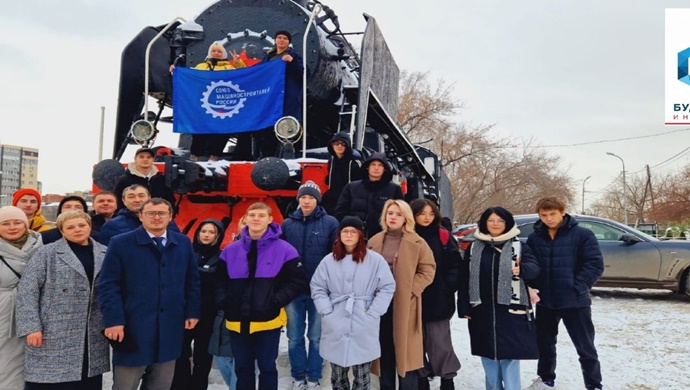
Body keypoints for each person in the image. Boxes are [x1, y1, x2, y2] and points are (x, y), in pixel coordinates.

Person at [99, 198, 201, 390]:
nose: (156, 217)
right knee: (125, 385)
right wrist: (113, 320)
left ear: (170, 217)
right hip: (133, 328)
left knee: (160, 385)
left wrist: (192, 311)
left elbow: (192, 281)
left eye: (162, 213)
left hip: (169, 328)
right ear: (140, 216)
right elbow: (108, 285)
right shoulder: (121, 243)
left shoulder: (183, 243)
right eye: (151, 213)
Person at [216, 202, 308, 390]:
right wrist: (226, 301)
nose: (256, 219)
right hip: (237, 321)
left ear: (270, 219)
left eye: (261, 215)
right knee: (243, 368)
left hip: (268, 321)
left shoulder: (285, 250)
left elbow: (298, 281)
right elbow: (219, 282)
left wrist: (276, 300)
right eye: (252, 215)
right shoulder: (230, 251)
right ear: (246, 219)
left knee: (267, 368)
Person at [16, 210, 110, 389]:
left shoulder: (104, 252)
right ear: (62, 231)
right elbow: (28, 290)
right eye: (70, 227)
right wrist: (31, 327)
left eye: (82, 225)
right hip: (52, 329)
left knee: (86, 379)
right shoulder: (47, 253)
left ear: (89, 226)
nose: (77, 230)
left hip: (91, 330)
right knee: (49, 379)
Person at [524, 197, 604, 390]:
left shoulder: (582, 235)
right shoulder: (535, 238)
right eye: (544, 215)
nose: (549, 219)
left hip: (575, 302)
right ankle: (546, 380)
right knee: (545, 345)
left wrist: (578, 287)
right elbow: (532, 266)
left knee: (585, 347)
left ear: (562, 212)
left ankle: (594, 384)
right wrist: (534, 287)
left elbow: (594, 265)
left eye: (552, 214)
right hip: (546, 302)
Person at [457, 207, 540, 390]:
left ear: (507, 223)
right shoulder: (474, 247)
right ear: (484, 223)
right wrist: (464, 307)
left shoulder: (519, 246)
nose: (495, 224)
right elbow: (464, 278)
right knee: (488, 356)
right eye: (491, 220)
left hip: (511, 310)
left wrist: (523, 269)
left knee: (510, 357)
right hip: (482, 310)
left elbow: (535, 269)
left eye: (500, 221)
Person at [310, 216, 396, 390]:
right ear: (339, 235)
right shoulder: (329, 260)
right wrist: (327, 310)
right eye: (344, 231)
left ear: (360, 235)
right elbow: (317, 287)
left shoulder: (375, 260)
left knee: (362, 373)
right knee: (338, 374)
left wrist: (374, 312)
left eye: (353, 231)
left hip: (363, 317)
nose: (348, 235)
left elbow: (387, 286)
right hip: (336, 318)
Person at [367, 199, 436, 390]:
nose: (393, 217)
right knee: (384, 352)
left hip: (406, 305)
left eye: (398, 214)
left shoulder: (417, 242)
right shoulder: (374, 241)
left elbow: (428, 270)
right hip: (380, 305)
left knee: (406, 356)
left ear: (406, 217)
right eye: (390, 213)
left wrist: (411, 290)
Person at [281, 181, 339, 389]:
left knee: (316, 337)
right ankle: (298, 376)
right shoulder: (287, 224)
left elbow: (336, 254)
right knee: (294, 337)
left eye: (311, 197)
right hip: (294, 290)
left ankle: (314, 376)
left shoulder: (330, 223)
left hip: (319, 291)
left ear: (317, 200)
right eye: (303, 197)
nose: (307, 201)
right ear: (298, 200)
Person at [409, 199, 462, 390]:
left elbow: (455, 264)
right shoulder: (408, 235)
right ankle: (422, 377)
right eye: (422, 213)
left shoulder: (443, 235)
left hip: (439, 297)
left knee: (440, 342)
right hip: (413, 297)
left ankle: (447, 379)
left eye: (431, 214)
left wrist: (448, 286)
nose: (427, 218)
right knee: (416, 341)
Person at [172, 219, 226, 390]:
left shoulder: (222, 256)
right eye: (204, 231)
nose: (207, 235)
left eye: (211, 232)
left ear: (218, 236)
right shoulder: (185, 252)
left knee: (203, 355)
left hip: (208, 313)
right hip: (184, 311)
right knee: (180, 353)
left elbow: (220, 282)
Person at [0, 205, 43, 389]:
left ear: (26, 225)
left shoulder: (42, 248)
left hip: (37, 312)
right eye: (5, 223)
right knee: (6, 361)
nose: (12, 227)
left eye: (17, 222)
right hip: (4, 313)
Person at [189, 42, 247, 162]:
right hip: (203, 103)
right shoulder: (201, 66)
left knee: (221, 130)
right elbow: (189, 78)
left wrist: (238, 62)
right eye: (214, 51)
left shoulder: (229, 68)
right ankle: (196, 154)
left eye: (219, 51)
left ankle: (215, 154)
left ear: (223, 54)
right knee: (199, 129)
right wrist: (175, 70)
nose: (216, 53)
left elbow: (245, 75)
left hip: (222, 104)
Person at [208, 217, 246, 390]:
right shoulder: (228, 250)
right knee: (221, 356)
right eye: (244, 222)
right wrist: (222, 300)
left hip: (253, 312)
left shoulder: (272, 250)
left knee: (244, 359)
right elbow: (220, 280)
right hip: (227, 310)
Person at [256, 30, 304, 158]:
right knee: (268, 130)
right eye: (279, 37)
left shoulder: (294, 56)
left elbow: (303, 74)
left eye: (285, 38)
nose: (282, 40)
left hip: (287, 97)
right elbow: (259, 74)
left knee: (288, 128)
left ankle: (290, 156)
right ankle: (266, 157)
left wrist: (292, 62)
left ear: (288, 42)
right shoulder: (268, 58)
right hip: (270, 98)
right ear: (275, 40)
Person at [335, 153, 404, 239]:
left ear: (385, 169)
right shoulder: (351, 187)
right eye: (373, 164)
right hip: (355, 236)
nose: (376, 168)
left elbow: (402, 213)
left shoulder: (394, 189)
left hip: (383, 237)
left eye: (380, 165)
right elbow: (340, 212)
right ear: (367, 167)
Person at [98, 184, 179, 245]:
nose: (137, 200)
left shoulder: (168, 223)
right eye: (131, 197)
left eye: (141, 196)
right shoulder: (111, 226)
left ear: (149, 198)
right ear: (124, 201)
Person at [321, 132, 362, 216]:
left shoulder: (354, 163)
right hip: (332, 199)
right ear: (332, 145)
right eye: (337, 143)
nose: (339, 146)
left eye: (343, 144)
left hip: (348, 200)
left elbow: (359, 184)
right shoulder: (331, 161)